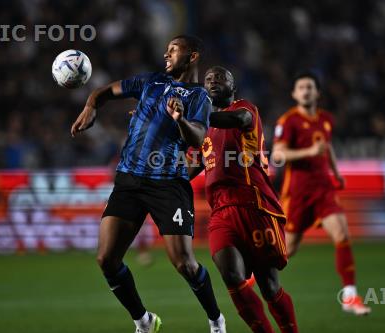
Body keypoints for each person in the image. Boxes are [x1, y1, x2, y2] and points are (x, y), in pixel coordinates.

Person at [71, 35, 226, 333]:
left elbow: (197, 137)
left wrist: (179, 119)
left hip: (168, 184)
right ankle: (143, 321)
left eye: (173, 50)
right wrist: (91, 104)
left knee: (184, 264)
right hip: (129, 178)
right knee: (106, 258)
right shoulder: (149, 82)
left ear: (192, 56)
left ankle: (216, 320)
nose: (166, 55)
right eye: (166, 49)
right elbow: (106, 91)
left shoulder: (199, 97)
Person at [188, 66, 299, 333]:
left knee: (269, 286)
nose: (213, 81)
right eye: (209, 79)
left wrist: (199, 117)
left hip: (254, 203)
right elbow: (189, 169)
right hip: (221, 212)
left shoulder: (245, 109)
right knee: (232, 277)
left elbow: (238, 119)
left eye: (220, 78)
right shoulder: (202, 131)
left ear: (232, 86)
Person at [272, 71, 371, 316]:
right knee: (287, 250)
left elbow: (326, 148)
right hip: (297, 194)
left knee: (342, 233)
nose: (306, 91)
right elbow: (277, 154)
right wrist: (308, 152)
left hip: (323, 190)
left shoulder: (326, 119)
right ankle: (251, 279)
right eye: (301, 87)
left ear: (317, 92)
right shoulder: (288, 121)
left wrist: (336, 173)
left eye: (310, 87)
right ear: (294, 94)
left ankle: (349, 296)